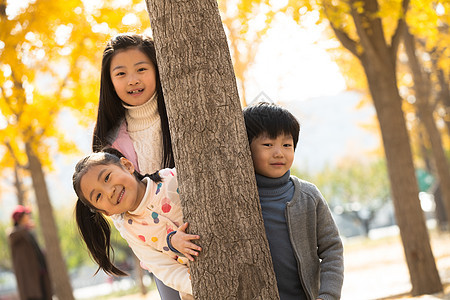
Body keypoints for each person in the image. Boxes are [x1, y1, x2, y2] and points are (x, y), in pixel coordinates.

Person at [91, 33, 179, 299]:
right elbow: (118, 210)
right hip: (160, 246)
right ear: (110, 82)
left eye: (141, 69)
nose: (133, 80)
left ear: (157, 68)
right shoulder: (110, 143)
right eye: (121, 73)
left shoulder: (179, 113)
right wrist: (163, 244)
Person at [243, 102, 344, 300]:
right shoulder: (237, 198)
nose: (279, 152)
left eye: (287, 145)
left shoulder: (308, 196)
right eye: (268, 145)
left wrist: (328, 295)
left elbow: (332, 248)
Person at [73, 150, 201, 300]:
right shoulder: (131, 231)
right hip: (194, 288)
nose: (109, 192)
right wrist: (198, 285)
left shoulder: (170, 179)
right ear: (104, 212)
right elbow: (163, 268)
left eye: (107, 177)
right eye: (99, 196)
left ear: (127, 165)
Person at [7, 205, 52, 300]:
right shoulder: (15, 233)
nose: (29, 216)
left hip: (40, 274)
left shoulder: (28, 232)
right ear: (19, 218)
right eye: (26, 215)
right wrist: (25, 227)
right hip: (29, 280)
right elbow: (12, 235)